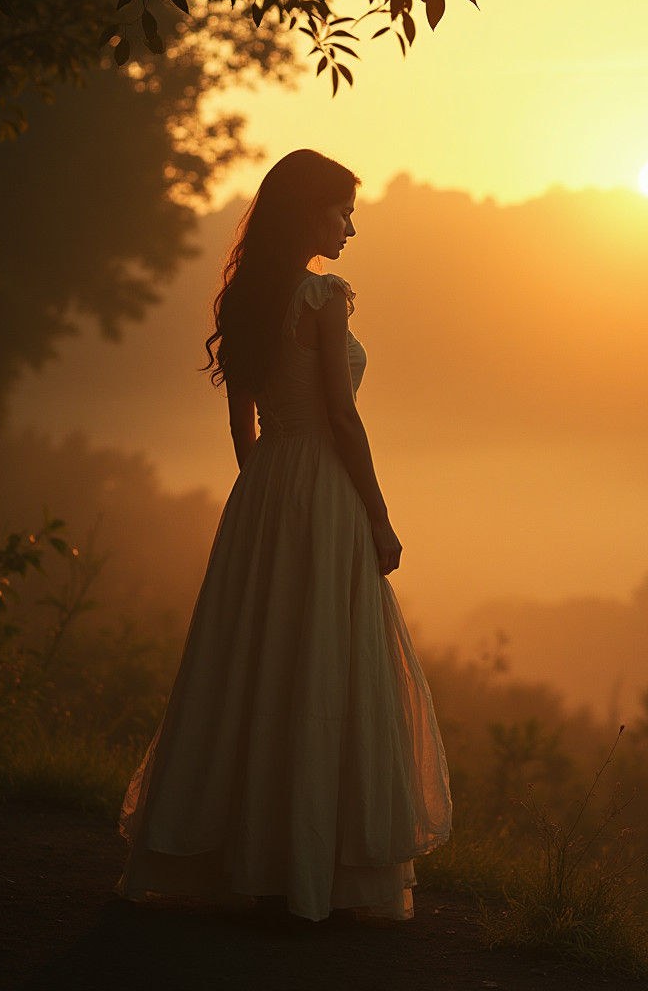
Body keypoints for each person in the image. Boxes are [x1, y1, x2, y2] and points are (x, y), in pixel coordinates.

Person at [114, 149, 452, 922]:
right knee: (319, 664)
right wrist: (378, 515)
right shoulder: (323, 297)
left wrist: (266, 494)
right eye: (342, 213)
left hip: (264, 488)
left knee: (258, 664)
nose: (350, 229)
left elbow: (244, 425)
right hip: (325, 490)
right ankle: (305, 869)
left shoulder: (247, 299)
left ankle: (248, 856)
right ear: (309, 213)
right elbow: (342, 418)